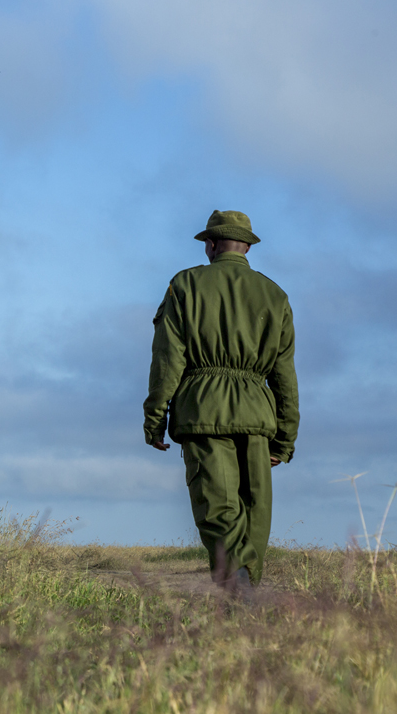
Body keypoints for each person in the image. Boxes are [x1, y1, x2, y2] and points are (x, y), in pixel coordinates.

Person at [144, 210, 299, 590]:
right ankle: (245, 596)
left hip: (203, 409)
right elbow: (284, 376)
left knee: (217, 507)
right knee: (253, 510)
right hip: (257, 415)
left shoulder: (185, 284)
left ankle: (238, 590)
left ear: (211, 245)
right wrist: (285, 438)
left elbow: (168, 359)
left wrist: (155, 417)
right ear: (247, 247)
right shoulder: (275, 294)